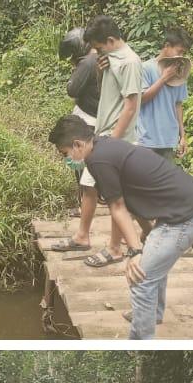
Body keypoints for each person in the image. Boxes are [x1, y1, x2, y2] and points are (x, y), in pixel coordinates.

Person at [47, 114, 193, 339]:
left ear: (77, 144)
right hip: (183, 210)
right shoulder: (103, 147)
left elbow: (117, 207)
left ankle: (139, 342)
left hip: (187, 216)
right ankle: (152, 313)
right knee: (151, 265)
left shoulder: (98, 160)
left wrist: (135, 251)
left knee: (140, 278)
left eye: (64, 153)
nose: (65, 159)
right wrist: (146, 234)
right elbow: (130, 200)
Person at [52, 15, 142, 267]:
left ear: (111, 40)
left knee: (115, 196)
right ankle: (83, 236)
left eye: (98, 47)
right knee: (89, 184)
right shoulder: (110, 60)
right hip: (102, 134)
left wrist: (111, 143)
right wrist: (102, 74)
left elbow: (131, 106)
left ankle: (115, 248)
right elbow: (107, 97)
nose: (95, 52)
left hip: (116, 139)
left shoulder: (130, 62)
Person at [52, 28, 102, 247]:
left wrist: (75, 73)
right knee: (86, 169)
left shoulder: (88, 62)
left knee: (83, 169)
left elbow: (72, 89)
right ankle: (85, 205)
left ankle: (84, 211)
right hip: (96, 117)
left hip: (88, 119)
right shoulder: (99, 58)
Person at [138, 27, 193, 163]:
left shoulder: (180, 71)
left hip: (168, 140)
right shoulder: (146, 68)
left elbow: (178, 104)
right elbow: (140, 99)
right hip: (146, 140)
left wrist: (182, 136)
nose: (181, 56)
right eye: (179, 51)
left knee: (164, 182)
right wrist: (164, 78)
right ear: (167, 46)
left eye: (183, 53)